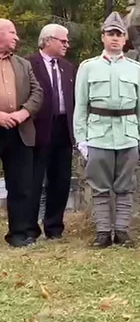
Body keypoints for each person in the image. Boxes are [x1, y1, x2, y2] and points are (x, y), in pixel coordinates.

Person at [74, 12, 140, 248]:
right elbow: (81, 106)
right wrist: (81, 139)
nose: (115, 38)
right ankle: (103, 232)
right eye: (110, 34)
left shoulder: (136, 69)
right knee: (100, 188)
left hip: (128, 136)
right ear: (103, 37)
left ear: (125, 39)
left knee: (125, 187)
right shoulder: (88, 68)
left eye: (119, 34)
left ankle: (122, 231)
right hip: (98, 135)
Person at [26, 24, 77, 240]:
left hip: (64, 129)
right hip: (38, 130)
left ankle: (54, 227)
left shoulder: (68, 67)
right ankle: (29, 228)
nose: (67, 44)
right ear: (48, 40)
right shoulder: (28, 64)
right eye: (62, 41)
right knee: (34, 181)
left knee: (61, 180)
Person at [0, 19, 44, 247]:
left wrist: (22, 113)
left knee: (20, 185)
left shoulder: (23, 64)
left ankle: (18, 234)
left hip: (20, 130)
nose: (17, 38)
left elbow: (37, 93)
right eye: (12, 33)